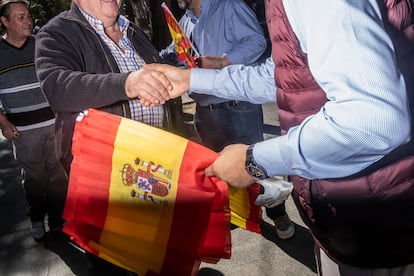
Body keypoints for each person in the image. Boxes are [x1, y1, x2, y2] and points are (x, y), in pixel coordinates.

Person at [145, 0, 414, 275]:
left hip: (374, 221)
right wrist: (192, 79)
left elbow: (370, 121)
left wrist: (253, 161)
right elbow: (282, 77)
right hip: (352, 213)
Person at [34, 0, 172, 275]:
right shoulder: (57, 32)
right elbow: (58, 87)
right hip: (104, 178)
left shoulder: (131, 28)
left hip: (158, 166)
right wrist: (126, 83)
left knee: (160, 251)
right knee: (114, 261)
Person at [165, 0, 294, 239]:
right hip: (205, 113)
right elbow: (177, 53)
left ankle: (278, 214)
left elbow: (256, 42)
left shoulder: (228, 6)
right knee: (222, 170)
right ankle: (239, 213)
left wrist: (221, 61)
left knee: (258, 164)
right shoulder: (183, 22)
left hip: (239, 108)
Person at [0, 0, 68, 242]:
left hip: (54, 123)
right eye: (20, 17)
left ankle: (58, 218)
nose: (28, 20)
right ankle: (37, 217)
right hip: (23, 130)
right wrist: (3, 122)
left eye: (28, 15)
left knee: (59, 175)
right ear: (5, 21)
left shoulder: (42, 45)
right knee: (35, 179)